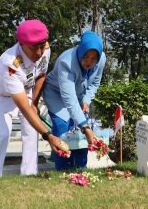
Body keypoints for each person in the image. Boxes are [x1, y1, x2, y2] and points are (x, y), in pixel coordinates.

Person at [0, 19, 68, 179]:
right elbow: (24, 108)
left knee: (31, 131)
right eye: (33, 47)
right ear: (21, 44)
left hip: (26, 89)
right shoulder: (10, 63)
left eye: (42, 46)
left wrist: (34, 103)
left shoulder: (45, 49)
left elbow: (41, 75)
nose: (39, 52)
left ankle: (29, 173)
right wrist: (49, 136)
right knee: (3, 131)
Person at [42, 31, 106, 170]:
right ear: (80, 51)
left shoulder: (101, 59)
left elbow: (95, 83)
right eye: (86, 57)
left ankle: (80, 167)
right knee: (63, 129)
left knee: (79, 132)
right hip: (56, 95)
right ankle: (63, 169)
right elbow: (69, 99)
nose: (89, 61)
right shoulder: (67, 63)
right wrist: (86, 128)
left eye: (94, 58)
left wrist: (86, 100)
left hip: (78, 96)